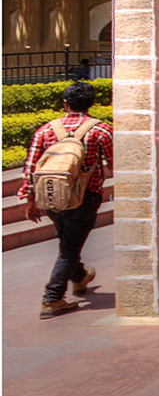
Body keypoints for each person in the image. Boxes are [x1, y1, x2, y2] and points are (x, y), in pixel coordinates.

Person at [19, 81, 113, 318]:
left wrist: (30, 200)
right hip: (85, 198)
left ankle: (80, 277)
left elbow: (31, 167)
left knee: (67, 241)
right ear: (92, 103)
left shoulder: (46, 130)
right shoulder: (101, 130)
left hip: (51, 198)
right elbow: (117, 164)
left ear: (65, 103)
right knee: (69, 248)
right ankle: (52, 299)